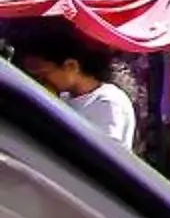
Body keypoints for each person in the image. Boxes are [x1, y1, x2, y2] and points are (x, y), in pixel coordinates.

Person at [11, 25, 139, 153]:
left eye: (43, 74)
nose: (40, 80)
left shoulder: (107, 103)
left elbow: (104, 155)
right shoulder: (65, 97)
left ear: (71, 66)